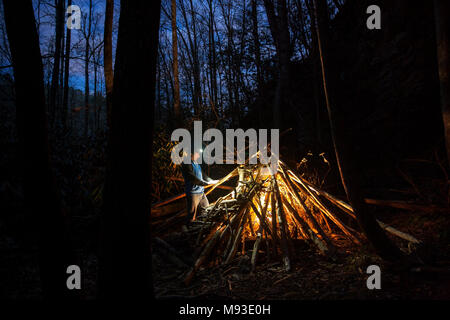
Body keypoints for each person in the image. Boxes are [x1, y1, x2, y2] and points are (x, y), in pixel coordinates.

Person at [180, 146, 218, 231]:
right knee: (192, 214)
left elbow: (204, 175)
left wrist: (212, 181)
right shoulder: (186, 164)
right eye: (197, 154)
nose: (198, 156)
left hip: (201, 192)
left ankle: (202, 228)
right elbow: (192, 178)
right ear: (191, 154)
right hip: (193, 193)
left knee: (207, 209)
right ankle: (188, 230)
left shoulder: (197, 164)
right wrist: (204, 184)